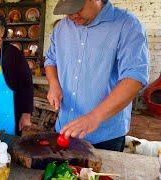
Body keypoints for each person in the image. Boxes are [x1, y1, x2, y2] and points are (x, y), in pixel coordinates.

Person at [44, 0, 149, 151]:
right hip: (64, 128)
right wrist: (54, 84)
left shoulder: (128, 25)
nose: (72, 15)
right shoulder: (61, 28)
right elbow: (51, 60)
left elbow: (134, 78)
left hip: (104, 136)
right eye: (67, 10)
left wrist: (95, 117)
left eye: (77, 8)